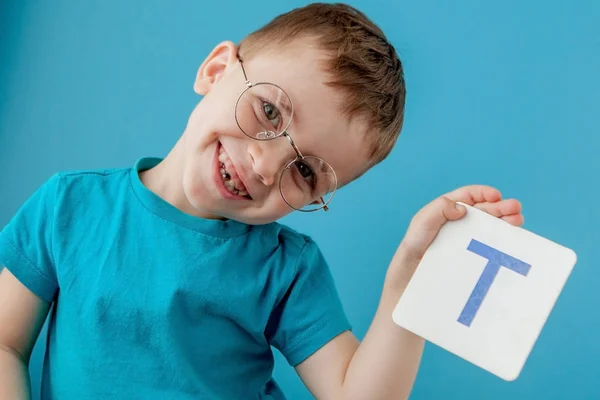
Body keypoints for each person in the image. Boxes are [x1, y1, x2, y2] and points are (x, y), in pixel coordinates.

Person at [0, 3, 524, 399]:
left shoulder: (285, 269)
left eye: (304, 172)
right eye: (270, 112)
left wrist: (411, 284)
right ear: (215, 70)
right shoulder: (67, 207)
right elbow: (5, 341)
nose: (267, 166)